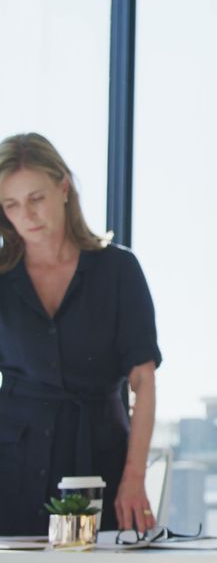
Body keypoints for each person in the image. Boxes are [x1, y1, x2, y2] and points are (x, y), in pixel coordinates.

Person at [0, 133, 162, 535]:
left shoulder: (118, 271)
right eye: (11, 205)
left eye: (36, 198)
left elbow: (144, 380)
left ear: (64, 187)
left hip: (99, 457)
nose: (28, 215)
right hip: (12, 464)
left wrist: (134, 477)